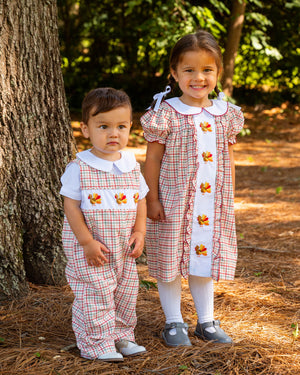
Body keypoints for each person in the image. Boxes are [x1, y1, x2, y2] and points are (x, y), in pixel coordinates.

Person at [141, 30, 244, 347]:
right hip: (173, 203)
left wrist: (230, 200)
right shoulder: (166, 113)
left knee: (203, 259)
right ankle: (174, 322)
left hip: (212, 205)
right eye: (189, 70)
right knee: (169, 260)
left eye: (207, 70)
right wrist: (152, 199)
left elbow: (228, 159)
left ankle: (206, 321)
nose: (198, 78)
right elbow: (152, 159)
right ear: (174, 72)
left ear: (218, 73)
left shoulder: (225, 114)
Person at [60, 88, 148, 362]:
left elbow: (140, 199)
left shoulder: (131, 166)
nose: (114, 134)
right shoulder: (80, 167)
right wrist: (86, 242)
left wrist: (140, 231)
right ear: (86, 129)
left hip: (122, 246)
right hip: (91, 246)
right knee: (95, 293)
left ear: (129, 127)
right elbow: (70, 206)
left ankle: (120, 335)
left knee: (125, 291)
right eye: (104, 126)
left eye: (121, 126)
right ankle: (95, 342)